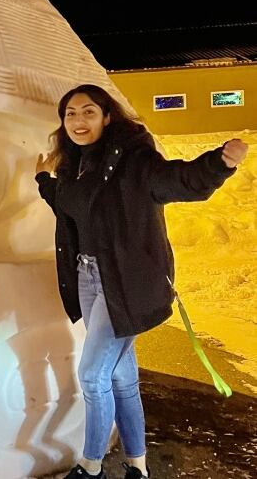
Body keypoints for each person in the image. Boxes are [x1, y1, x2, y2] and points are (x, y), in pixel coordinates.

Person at [34, 84, 248, 479]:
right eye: (71, 114)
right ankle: (137, 466)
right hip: (88, 276)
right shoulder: (75, 165)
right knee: (120, 376)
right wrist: (44, 180)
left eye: (88, 112)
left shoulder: (133, 160)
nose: (79, 121)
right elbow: (68, 201)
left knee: (93, 375)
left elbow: (178, 179)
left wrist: (218, 164)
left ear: (107, 116)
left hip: (125, 283)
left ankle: (91, 466)